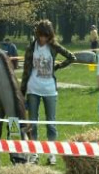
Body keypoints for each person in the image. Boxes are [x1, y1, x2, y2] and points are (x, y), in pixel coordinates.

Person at [20, 20, 76, 165]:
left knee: (51, 123)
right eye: (41, 36)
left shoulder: (54, 46)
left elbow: (71, 57)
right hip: (33, 89)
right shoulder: (31, 48)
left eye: (46, 36)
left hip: (50, 90)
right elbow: (26, 71)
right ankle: (34, 153)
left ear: (50, 35)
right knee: (33, 123)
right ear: (37, 34)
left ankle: (51, 154)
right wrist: (22, 91)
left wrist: (57, 67)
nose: (43, 39)